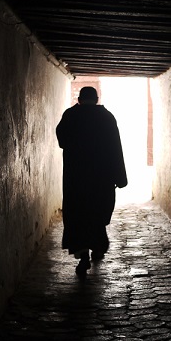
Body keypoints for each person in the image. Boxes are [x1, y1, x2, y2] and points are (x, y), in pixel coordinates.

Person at [56, 86, 128, 278]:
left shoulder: (70, 116)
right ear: (97, 99)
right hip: (100, 178)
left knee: (78, 215)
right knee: (96, 214)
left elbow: (62, 140)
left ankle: (83, 256)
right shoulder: (107, 118)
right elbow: (115, 148)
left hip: (76, 179)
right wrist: (119, 177)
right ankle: (97, 247)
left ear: (79, 99)